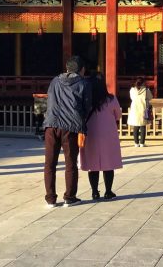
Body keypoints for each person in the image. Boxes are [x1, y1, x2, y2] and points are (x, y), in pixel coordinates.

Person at [42, 56, 92, 208]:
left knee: (49, 163)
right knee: (70, 162)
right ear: (81, 69)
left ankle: (50, 199)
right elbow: (87, 106)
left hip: (51, 125)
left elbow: (49, 99)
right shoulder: (83, 83)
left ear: (67, 68)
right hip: (71, 127)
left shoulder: (55, 81)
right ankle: (69, 197)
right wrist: (81, 121)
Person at [79, 76, 122, 201]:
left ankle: (94, 192)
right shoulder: (111, 99)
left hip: (91, 133)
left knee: (93, 165)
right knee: (109, 163)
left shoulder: (87, 100)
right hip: (108, 134)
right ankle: (108, 191)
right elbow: (118, 115)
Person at [127, 77, 152, 147]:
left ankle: (136, 143)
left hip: (135, 109)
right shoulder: (146, 90)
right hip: (143, 109)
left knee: (136, 127)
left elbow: (131, 98)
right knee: (142, 126)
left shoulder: (132, 90)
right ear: (143, 83)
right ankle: (142, 143)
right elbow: (150, 97)